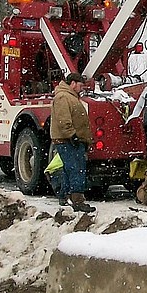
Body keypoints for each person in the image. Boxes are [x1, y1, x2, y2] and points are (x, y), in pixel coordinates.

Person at [50, 72, 94, 213]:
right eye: (80, 85)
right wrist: (73, 136)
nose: (81, 88)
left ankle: (65, 196)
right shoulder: (63, 97)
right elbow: (64, 120)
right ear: (73, 83)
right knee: (75, 169)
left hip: (69, 139)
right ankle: (77, 200)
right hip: (67, 140)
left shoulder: (68, 97)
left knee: (70, 168)